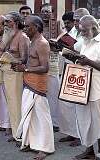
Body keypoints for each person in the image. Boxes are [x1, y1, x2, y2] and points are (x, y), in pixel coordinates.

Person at [63, 15, 100, 160]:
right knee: (85, 121)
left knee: (99, 122)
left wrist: (89, 62)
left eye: (84, 31)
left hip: (98, 89)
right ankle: (89, 150)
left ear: (93, 28)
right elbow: (83, 59)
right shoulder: (86, 41)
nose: (82, 34)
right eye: (80, 31)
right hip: (83, 88)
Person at [15, 15, 55, 160]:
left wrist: (25, 69)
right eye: (24, 26)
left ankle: (45, 148)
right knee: (30, 116)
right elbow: (30, 62)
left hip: (38, 85)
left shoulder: (42, 43)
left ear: (36, 27)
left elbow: (45, 67)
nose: (25, 29)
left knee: (42, 117)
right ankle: (31, 142)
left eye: (27, 26)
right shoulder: (32, 41)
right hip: (29, 83)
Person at [58, 8, 90, 147]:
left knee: (79, 105)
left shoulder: (89, 32)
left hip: (82, 71)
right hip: (68, 67)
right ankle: (71, 132)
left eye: (78, 20)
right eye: (75, 20)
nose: (76, 23)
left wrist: (73, 49)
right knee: (67, 103)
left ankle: (80, 134)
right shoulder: (71, 32)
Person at [0, 11, 30, 142]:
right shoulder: (8, 35)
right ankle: (15, 132)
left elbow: (24, 59)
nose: (5, 24)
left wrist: (10, 58)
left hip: (17, 74)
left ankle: (21, 134)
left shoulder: (22, 37)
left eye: (8, 21)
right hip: (7, 73)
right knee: (11, 104)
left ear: (16, 23)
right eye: (5, 21)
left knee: (17, 104)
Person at [40, 3, 60, 132]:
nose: (45, 14)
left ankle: (55, 122)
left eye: (48, 11)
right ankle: (44, 121)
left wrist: (56, 44)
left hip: (52, 62)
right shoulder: (38, 25)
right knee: (42, 94)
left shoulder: (57, 25)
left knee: (53, 94)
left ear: (52, 13)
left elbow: (62, 43)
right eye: (43, 11)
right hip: (40, 63)